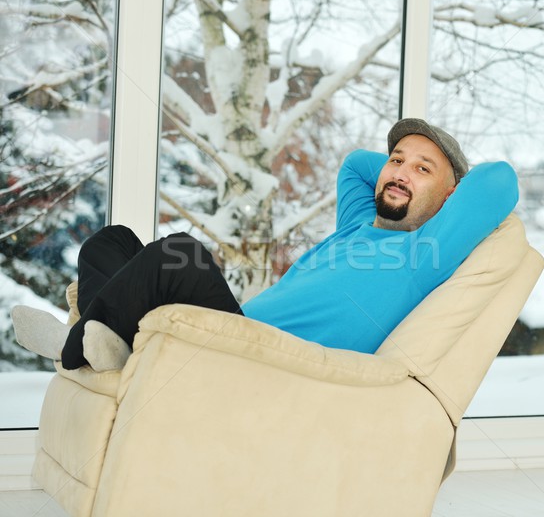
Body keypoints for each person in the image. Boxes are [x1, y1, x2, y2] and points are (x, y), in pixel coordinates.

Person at [12, 118, 518, 371]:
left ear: (453, 196)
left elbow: (498, 181)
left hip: (258, 358)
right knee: (110, 240)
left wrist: (441, 185)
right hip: (234, 326)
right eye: (397, 159)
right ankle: (112, 341)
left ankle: (75, 346)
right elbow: (356, 164)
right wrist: (410, 164)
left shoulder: (427, 253)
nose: (399, 172)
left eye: (422, 169)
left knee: (178, 253)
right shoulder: (357, 226)